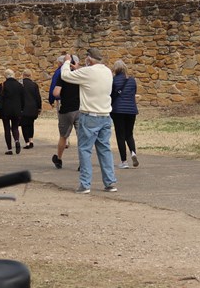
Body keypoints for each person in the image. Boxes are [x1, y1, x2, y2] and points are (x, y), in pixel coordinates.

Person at [60, 48, 117, 194]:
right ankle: (110, 182)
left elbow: (65, 76)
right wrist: (78, 68)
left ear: (89, 59)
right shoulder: (107, 72)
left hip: (90, 115)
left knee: (85, 149)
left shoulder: (88, 72)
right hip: (105, 114)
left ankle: (85, 184)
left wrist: (67, 62)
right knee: (104, 149)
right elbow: (91, 75)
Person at [51, 55, 80, 169]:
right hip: (80, 109)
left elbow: (56, 93)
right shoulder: (80, 75)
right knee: (81, 137)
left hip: (66, 109)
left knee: (63, 136)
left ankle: (59, 159)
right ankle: (82, 163)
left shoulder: (63, 76)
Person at [110, 59, 139, 168]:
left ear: (115, 69)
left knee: (120, 135)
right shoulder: (132, 80)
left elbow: (111, 95)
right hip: (131, 110)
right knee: (129, 134)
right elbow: (134, 92)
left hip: (118, 110)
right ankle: (133, 152)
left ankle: (124, 161)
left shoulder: (113, 81)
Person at [0, 69, 24, 155]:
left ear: (5, 76)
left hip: (5, 110)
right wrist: (22, 109)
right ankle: (17, 140)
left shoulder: (3, 85)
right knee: (15, 127)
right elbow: (23, 98)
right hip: (17, 110)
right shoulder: (19, 85)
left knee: (7, 129)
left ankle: (9, 149)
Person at [20, 69, 42, 149]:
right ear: (30, 75)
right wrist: (39, 108)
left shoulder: (20, 84)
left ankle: (27, 142)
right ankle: (31, 140)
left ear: (23, 75)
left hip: (23, 108)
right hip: (33, 108)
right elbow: (38, 97)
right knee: (31, 124)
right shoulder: (34, 85)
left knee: (24, 125)